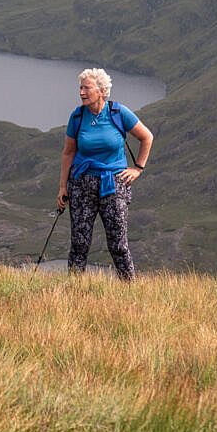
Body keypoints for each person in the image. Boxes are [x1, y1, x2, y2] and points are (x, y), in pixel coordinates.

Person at [57, 68, 154, 281]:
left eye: (86, 88)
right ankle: (74, 289)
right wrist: (63, 187)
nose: (81, 92)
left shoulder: (118, 113)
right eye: (80, 88)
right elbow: (68, 152)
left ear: (101, 91)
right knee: (79, 243)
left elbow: (147, 137)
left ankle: (129, 289)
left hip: (114, 183)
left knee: (118, 244)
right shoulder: (77, 116)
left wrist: (138, 168)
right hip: (81, 183)